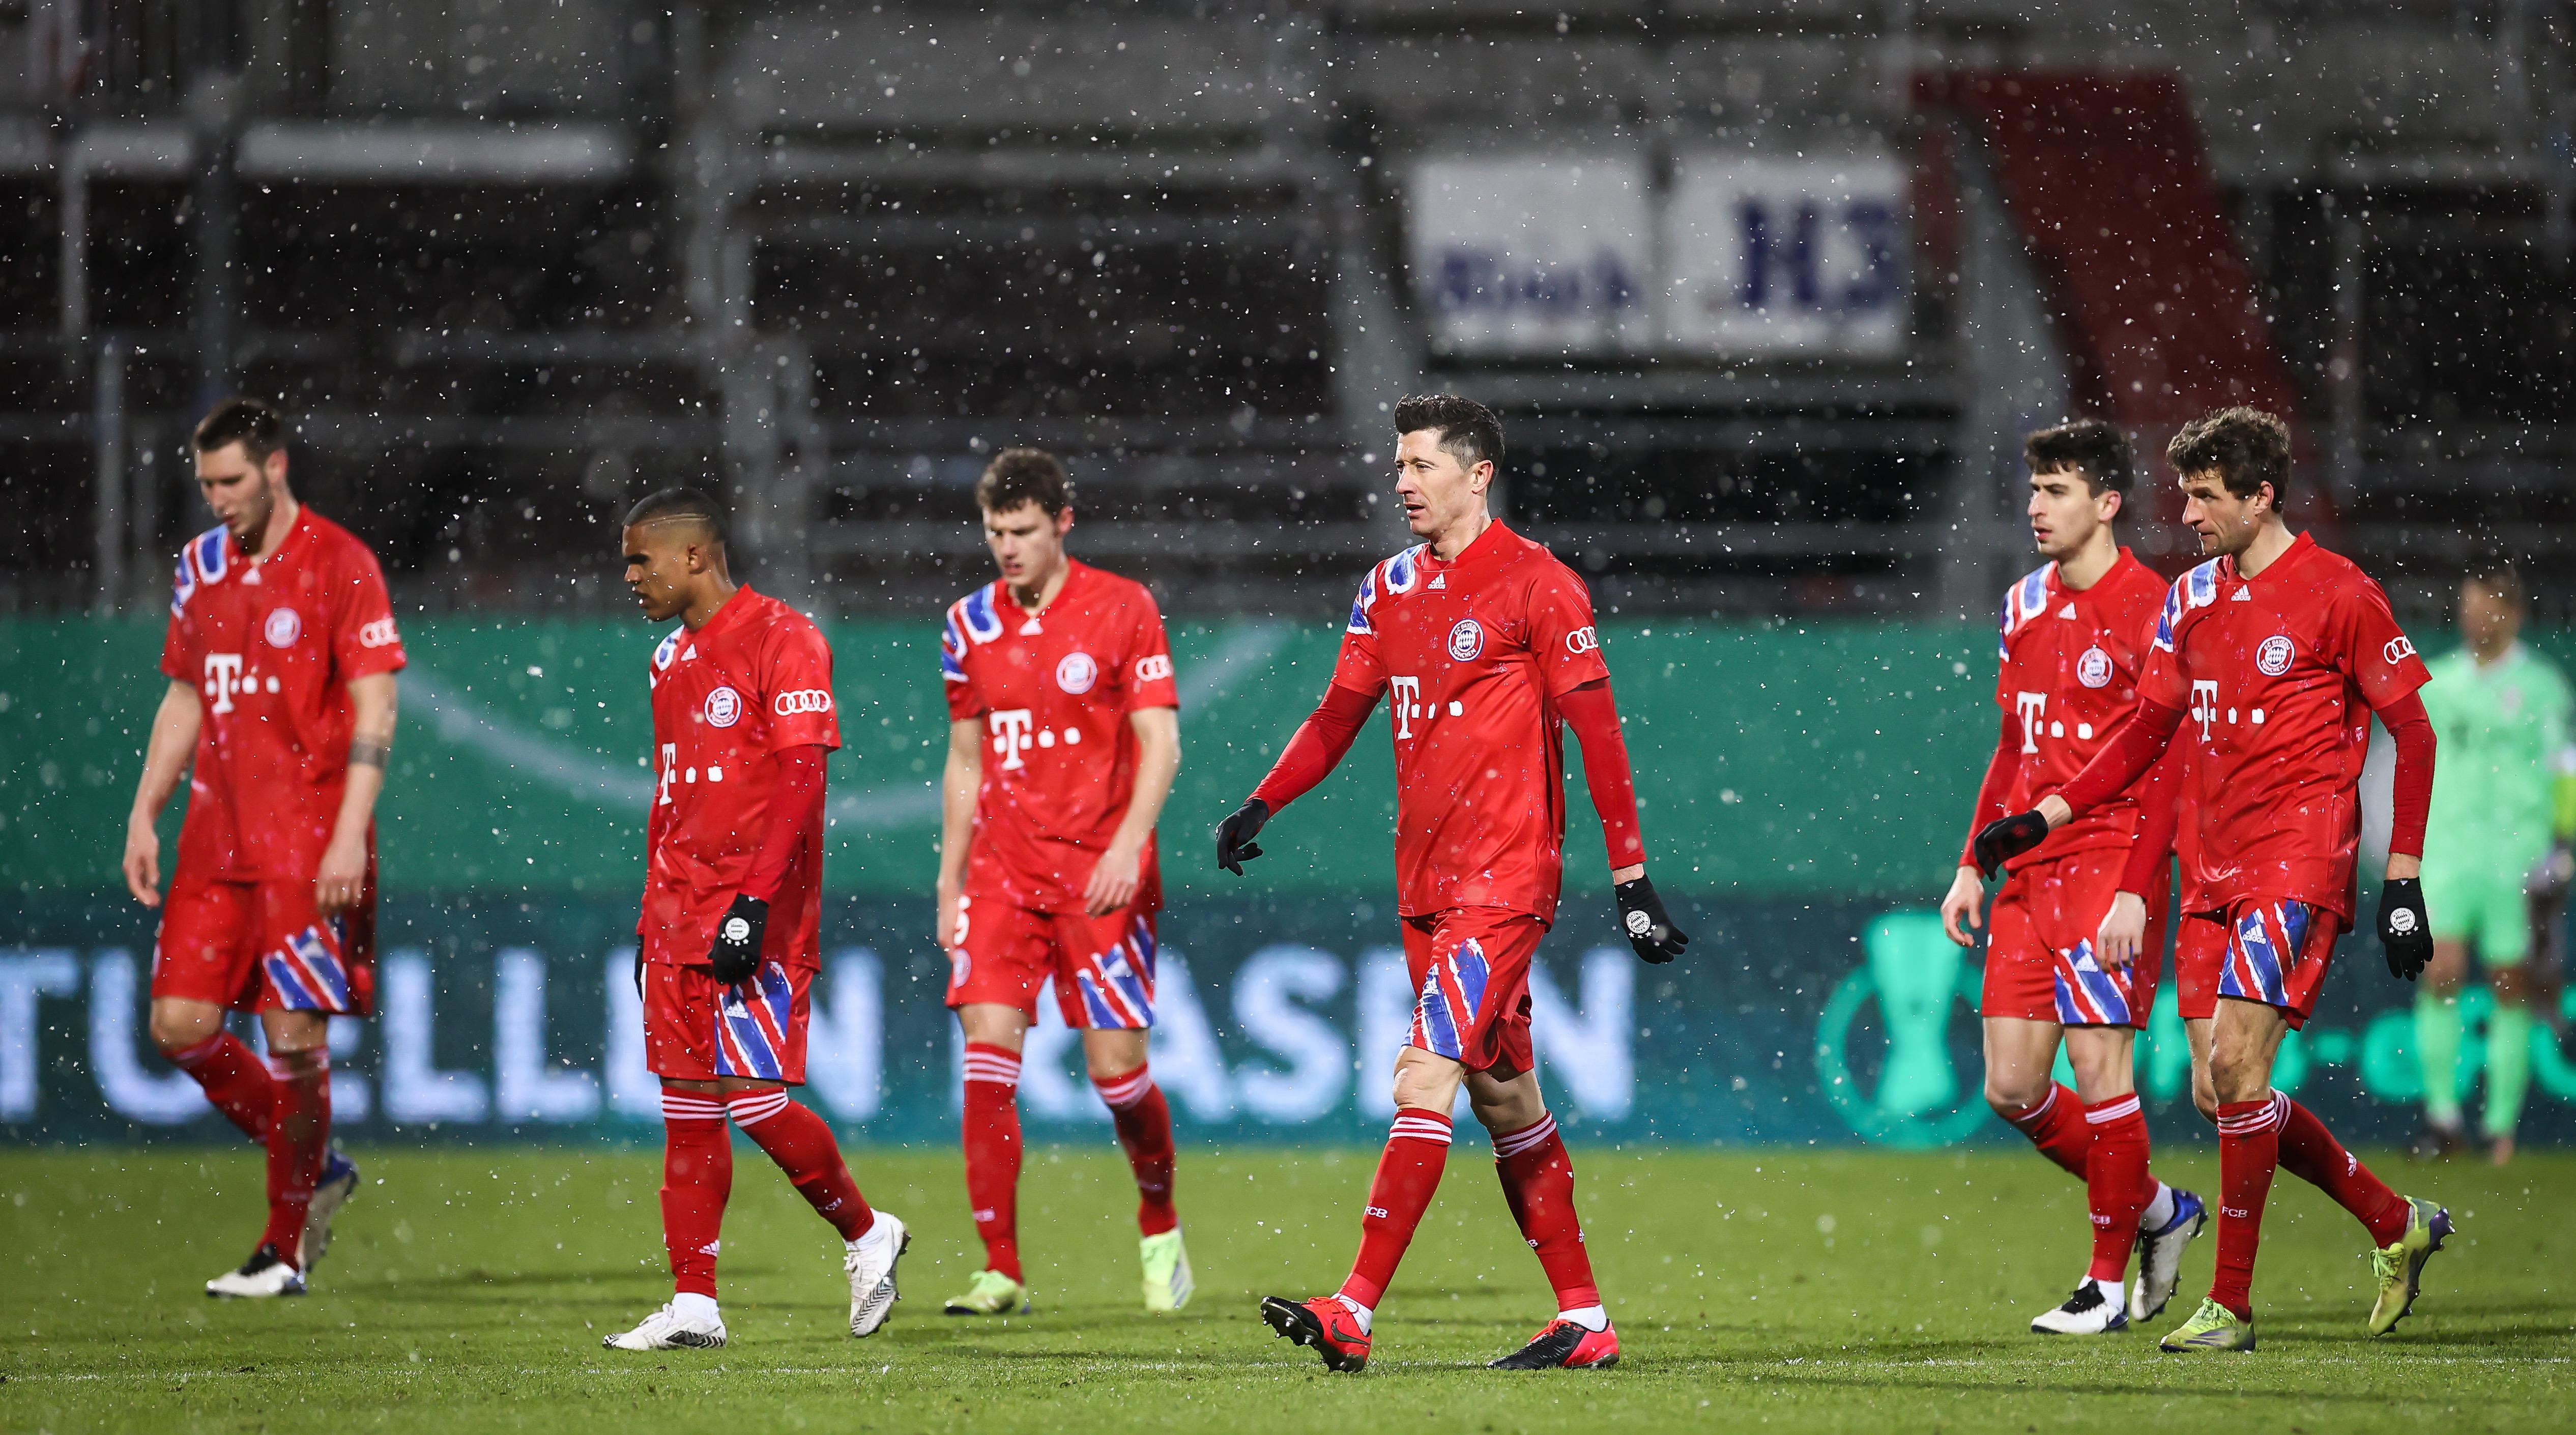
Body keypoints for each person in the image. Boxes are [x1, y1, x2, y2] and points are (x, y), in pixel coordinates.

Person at [1219, 393, 1688, 1373]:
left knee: (1420, 1074)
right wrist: (1262, 805)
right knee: (1505, 1101)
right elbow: (1336, 715)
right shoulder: (1384, 587)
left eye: (1420, 465)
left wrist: (1631, 881)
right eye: (1397, 465)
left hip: (1504, 881)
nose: (1401, 482)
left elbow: (1599, 739)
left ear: (1477, 475)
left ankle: (1352, 1307)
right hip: (1425, 886)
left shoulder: (1539, 585)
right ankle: (1585, 1321)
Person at [1976, 407, 2450, 1353]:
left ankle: (2229, 1304)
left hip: (2297, 853)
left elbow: (2414, 731)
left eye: (2203, 497)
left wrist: (2400, 881)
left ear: (2259, 496)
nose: (2187, 513)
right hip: (2211, 866)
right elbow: (2146, 734)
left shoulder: (2339, 593)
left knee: (2237, 1069)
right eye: (2184, 494)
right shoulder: (2189, 598)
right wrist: (2049, 813)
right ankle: (2392, 1218)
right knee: (2216, 1090)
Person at [602, 487, 906, 1352]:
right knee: (687, 1106)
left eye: (640, 559)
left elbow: (802, 782)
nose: (630, 577)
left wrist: (754, 903)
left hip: (753, 911)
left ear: (695, 555)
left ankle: (865, 1233)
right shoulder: (667, 659)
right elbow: (669, 798)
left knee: (758, 1101)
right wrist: (649, 918)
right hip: (674, 912)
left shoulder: (785, 638)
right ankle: (695, 1303)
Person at [124, 398, 399, 1298]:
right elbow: (185, 699)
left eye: (231, 481)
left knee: (293, 1038)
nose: (217, 500)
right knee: (179, 1027)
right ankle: (315, 1168)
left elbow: (376, 708)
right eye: (205, 484)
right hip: (214, 840)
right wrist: (145, 812)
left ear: (276, 467)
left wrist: (351, 831)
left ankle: (284, 1249)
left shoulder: (341, 564)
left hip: (307, 842)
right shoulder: (199, 567)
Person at [1937, 419, 2206, 1336]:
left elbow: (2167, 761)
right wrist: (1974, 862)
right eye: (2033, 489)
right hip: (2027, 870)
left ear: (2106, 503)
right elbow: (2010, 750)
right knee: (2010, 1089)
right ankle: (2161, 1209)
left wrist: (2137, 884)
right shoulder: (2019, 607)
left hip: (2107, 864)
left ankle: (2102, 1284)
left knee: (2101, 1070)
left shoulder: (2156, 608)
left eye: (2055, 490)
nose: (2035, 507)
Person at [934, 449, 1190, 1315]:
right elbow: (964, 758)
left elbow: (1160, 743)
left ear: (1060, 524)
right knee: (986, 1061)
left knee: (1115, 1074)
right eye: (994, 533)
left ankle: (1159, 1222)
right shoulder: (966, 624)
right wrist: (950, 881)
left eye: (1022, 532)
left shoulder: (1123, 608)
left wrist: (1127, 846)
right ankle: (1000, 1266)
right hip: (1004, 876)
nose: (1006, 548)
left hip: (1100, 877)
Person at [2414, 562, 2575, 1165]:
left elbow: (2565, 772)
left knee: (2511, 985)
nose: (2471, 617)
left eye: (2483, 607)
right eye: (2466, 606)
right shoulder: (2439, 683)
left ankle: (2500, 1130)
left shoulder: (2543, 687)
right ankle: (2441, 1117)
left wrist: (2563, 844)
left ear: (2511, 614)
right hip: (2449, 851)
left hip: (2518, 854)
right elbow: (2411, 768)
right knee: (2440, 972)